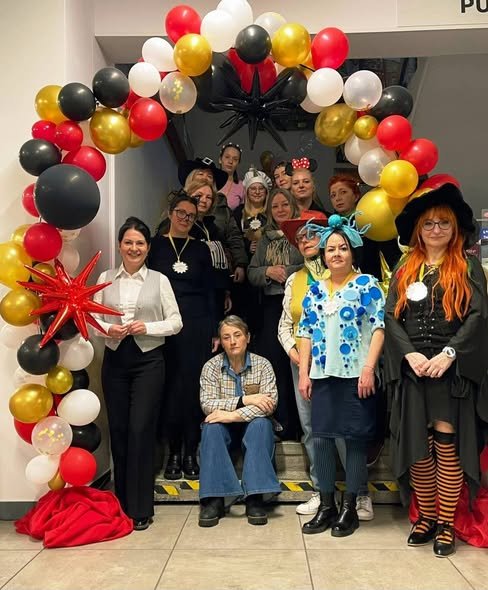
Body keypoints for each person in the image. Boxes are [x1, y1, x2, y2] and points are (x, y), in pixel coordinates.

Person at [384, 183, 488, 557]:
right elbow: (390, 315)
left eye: (443, 223)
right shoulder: (405, 267)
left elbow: (478, 315)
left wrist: (449, 353)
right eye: (428, 224)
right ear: (418, 229)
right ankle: (426, 516)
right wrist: (409, 355)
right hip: (414, 369)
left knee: (447, 446)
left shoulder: (468, 266)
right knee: (420, 446)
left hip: (450, 370)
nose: (436, 229)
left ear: (455, 228)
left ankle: (446, 522)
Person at [297, 214, 385, 537]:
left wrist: (369, 368)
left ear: (352, 252)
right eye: (331, 249)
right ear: (323, 254)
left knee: (354, 439)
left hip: (356, 376)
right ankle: (326, 505)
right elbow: (305, 332)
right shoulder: (315, 290)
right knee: (321, 438)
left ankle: (351, 506)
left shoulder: (367, 285)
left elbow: (379, 328)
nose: (336, 254)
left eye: (343, 248)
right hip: (321, 375)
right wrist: (304, 373)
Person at [94, 217, 183, 531]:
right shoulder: (105, 278)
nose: (134, 248)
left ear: (148, 248)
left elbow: (176, 322)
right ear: (120, 245)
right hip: (115, 360)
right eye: (128, 242)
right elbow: (91, 318)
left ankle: (142, 507)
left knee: (141, 429)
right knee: (118, 430)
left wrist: (148, 327)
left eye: (140, 243)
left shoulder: (160, 280)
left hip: (149, 361)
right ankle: (121, 505)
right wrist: (108, 329)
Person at [148, 193, 216, 481]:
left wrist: (214, 329)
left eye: (191, 215)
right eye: (181, 213)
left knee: (192, 389)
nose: (185, 219)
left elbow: (210, 291)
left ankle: (191, 450)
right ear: (170, 212)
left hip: (196, 325)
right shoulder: (155, 246)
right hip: (164, 326)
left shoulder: (201, 249)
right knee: (170, 389)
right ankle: (173, 452)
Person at [198, 315, 281, 527]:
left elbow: (269, 404)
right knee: (211, 427)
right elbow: (207, 404)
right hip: (224, 429)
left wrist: (232, 415)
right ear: (221, 341)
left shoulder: (263, 365)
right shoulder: (211, 367)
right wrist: (245, 400)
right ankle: (215, 498)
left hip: (252, 426)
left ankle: (255, 496)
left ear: (248, 337)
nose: (232, 341)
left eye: (237, 335)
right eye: (226, 337)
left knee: (261, 424)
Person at [278, 210, 330, 514]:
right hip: (302, 363)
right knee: (310, 427)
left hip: (339, 365)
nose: (306, 241)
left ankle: (356, 491)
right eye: (300, 238)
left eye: (312, 234)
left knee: (342, 428)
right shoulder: (294, 279)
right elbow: (284, 326)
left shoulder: (345, 270)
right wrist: (296, 357)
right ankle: (321, 490)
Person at [248, 188, 303, 440]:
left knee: (297, 362)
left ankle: (301, 426)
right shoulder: (265, 239)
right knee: (275, 364)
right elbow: (252, 272)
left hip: (297, 305)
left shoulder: (302, 234)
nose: (280, 209)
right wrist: (267, 272)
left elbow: (310, 263)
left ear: (293, 207)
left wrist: (287, 271)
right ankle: (281, 423)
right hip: (271, 308)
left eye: (284, 205)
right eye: (275, 206)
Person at [179, 157, 248, 285]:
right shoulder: (177, 208)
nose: (205, 178)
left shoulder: (223, 209)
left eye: (210, 176)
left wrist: (240, 263)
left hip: (217, 270)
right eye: (200, 174)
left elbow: (234, 236)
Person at [328, 174, 401, 280]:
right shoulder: (330, 227)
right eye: (333, 195)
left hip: (374, 277)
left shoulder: (369, 219)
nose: (338, 198)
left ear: (356, 196)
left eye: (343, 192)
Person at [232, 168, 272, 334]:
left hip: (267, 270)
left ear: (266, 192)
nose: (257, 192)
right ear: (247, 191)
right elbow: (233, 239)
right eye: (253, 188)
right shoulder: (237, 213)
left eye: (261, 188)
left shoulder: (272, 212)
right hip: (245, 273)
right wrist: (247, 246)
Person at [218, 142, 245, 210]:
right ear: (220, 160)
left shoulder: (241, 186)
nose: (230, 161)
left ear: (238, 163)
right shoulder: (210, 181)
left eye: (235, 159)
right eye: (227, 157)